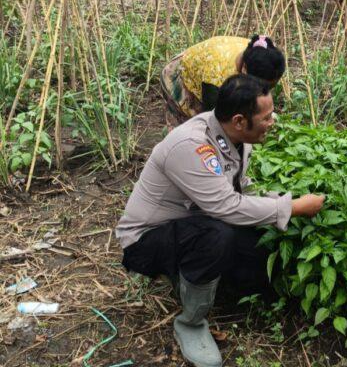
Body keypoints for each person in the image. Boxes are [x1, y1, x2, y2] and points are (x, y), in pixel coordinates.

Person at [116, 74, 324, 367]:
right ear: (239, 120)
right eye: (265, 117)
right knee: (217, 236)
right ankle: (190, 322)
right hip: (147, 240)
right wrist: (293, 207)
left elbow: (239, 189)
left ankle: (193, 276)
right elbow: (226, 207)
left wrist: (274, 199)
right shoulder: (192, 145)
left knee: (257, 264)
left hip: (192, 223)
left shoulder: (236, 139)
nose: (272, 122)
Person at [161, 34, 286, 126]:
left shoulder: (263, 53)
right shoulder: (217, 77)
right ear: (245, 70)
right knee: (191, 128)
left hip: (205, 59)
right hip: (179, 74)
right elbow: (214, 119)